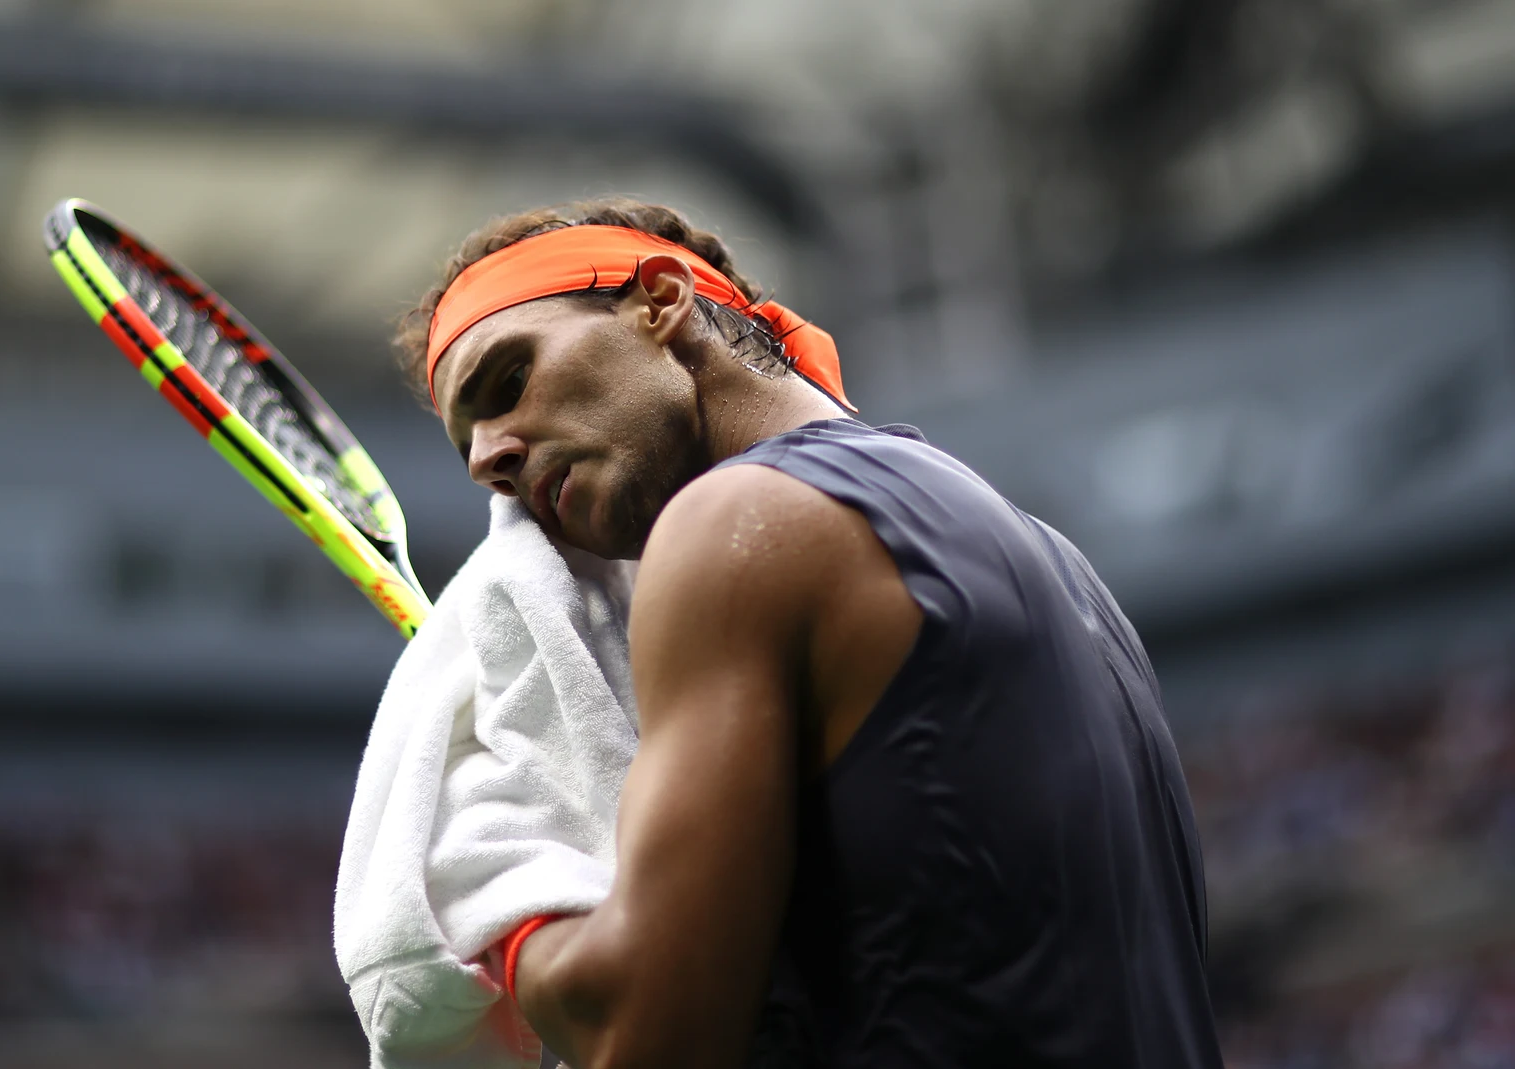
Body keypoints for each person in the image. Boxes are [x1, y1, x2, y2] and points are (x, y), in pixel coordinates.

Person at [396, 198, 1222, 1069]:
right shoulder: (1056, 560)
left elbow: (643, 1039)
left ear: (661, 302)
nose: (491, 456)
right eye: (470, 447)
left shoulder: (738, 524)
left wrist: (505, 887)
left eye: (508, 380)